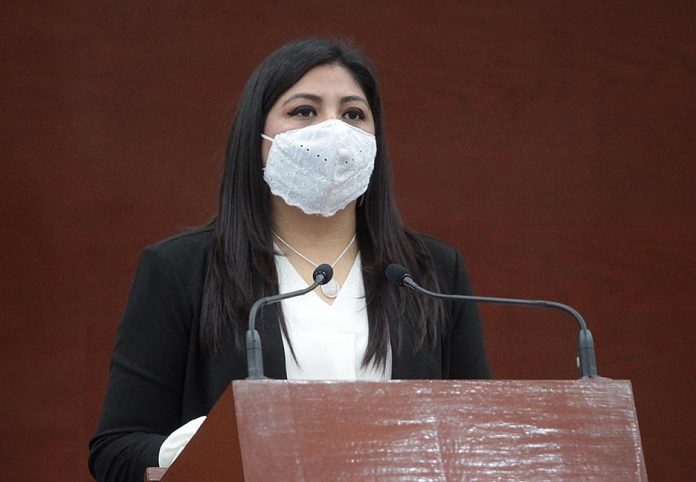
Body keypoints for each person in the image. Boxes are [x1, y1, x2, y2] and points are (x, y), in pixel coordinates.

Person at [88, 37, 491, 482]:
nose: (334, 131)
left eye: (353, 114)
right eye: (304, 111)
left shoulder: (430, 273)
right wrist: (195, 448)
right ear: (257, 136)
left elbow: (481, 437)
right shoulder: (182, 270)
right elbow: (116, 451)